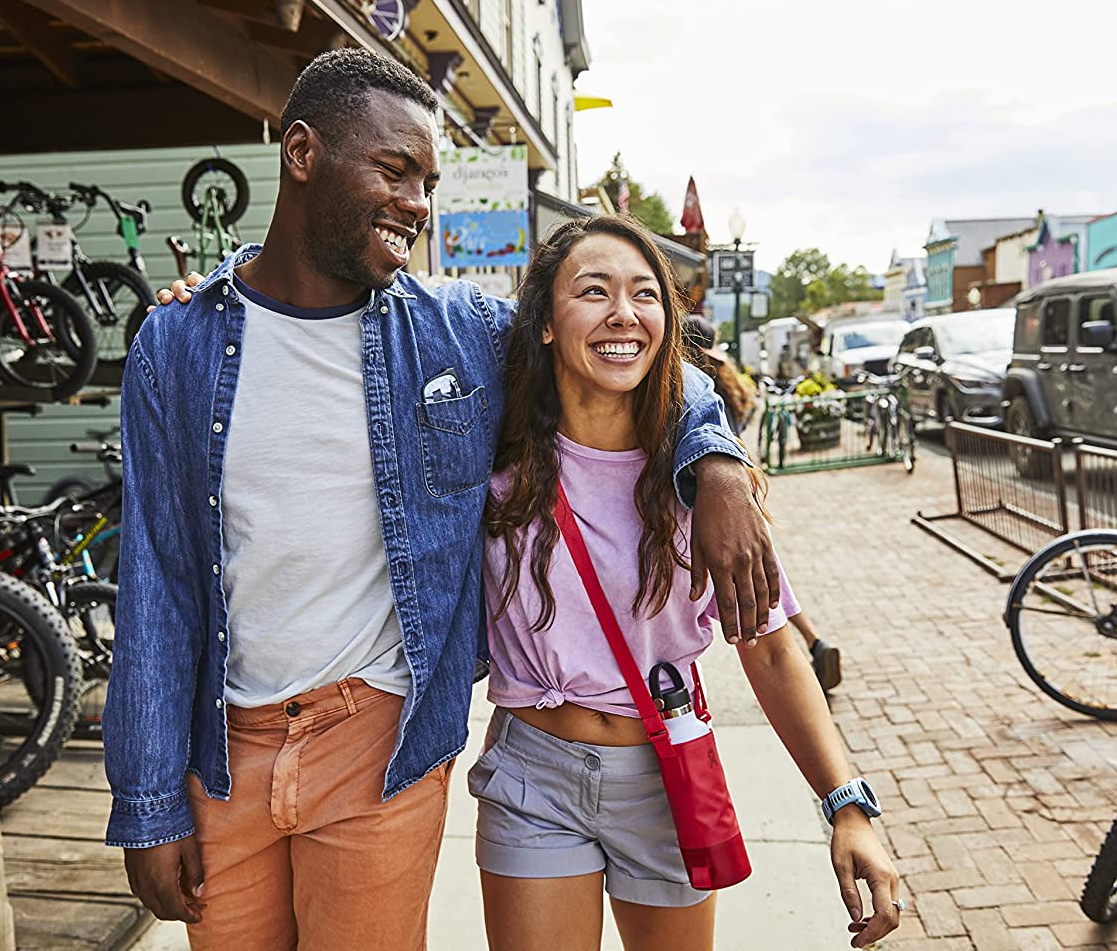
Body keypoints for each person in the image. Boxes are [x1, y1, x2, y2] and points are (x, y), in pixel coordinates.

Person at [106, 49, 780, 949]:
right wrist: (147, 804)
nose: (417, 205)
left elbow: (616, 349)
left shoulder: (457, 332)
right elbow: (154, 581)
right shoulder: (177, 345)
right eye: (394, 171)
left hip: (377, 735)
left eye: (426, 180)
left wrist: (717, 458)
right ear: (301, 154)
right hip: (219, 749)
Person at [473, 214, 902, 951]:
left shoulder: (702, 489)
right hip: (532, 775)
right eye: (594, 291)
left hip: (667, 775)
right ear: (543, 323)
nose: (623, 314)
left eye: (645, 295)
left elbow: (769, 650)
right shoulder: (490, 462)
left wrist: (847, 807)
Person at [684, 315, 842, 692]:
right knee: (768, 577)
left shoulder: (692, 382)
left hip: (709, 494)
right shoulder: (727, 376)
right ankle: (813, 641)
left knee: (753, 584)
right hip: (744, 485)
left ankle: (798, 648)